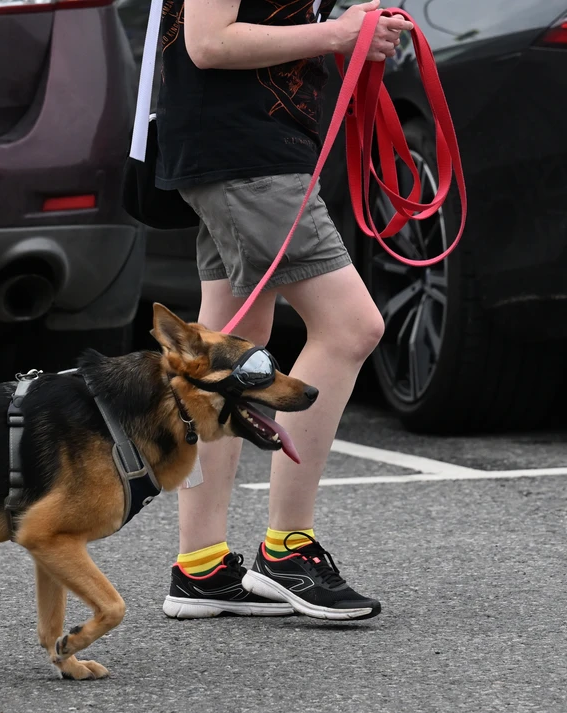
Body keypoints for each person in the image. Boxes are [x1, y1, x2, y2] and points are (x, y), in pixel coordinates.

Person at [156, 0, 412, 621]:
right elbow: (209, 43)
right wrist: (339, 32)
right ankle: (288, 552)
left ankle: (202, 567)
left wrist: (353, 25)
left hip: (247, 148)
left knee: (229, 350)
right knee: (351, 327)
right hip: (247, 156)